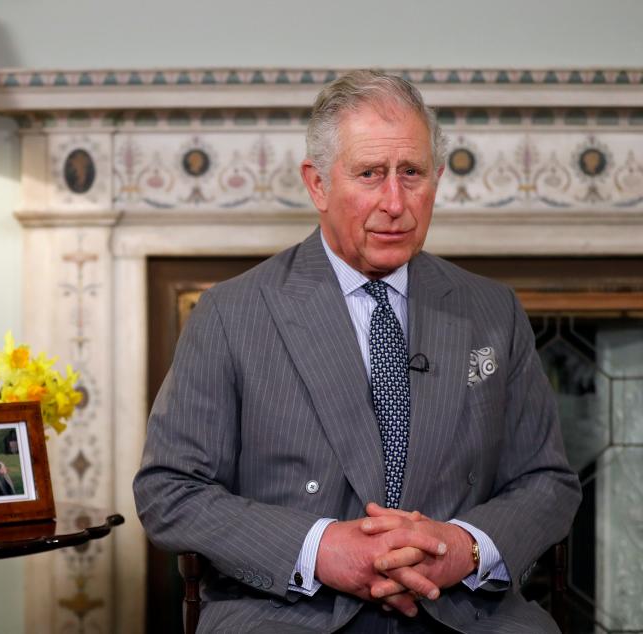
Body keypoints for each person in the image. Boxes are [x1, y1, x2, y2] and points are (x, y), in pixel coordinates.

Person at [133, 70, 581, 633]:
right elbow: (168, 490)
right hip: (290, 610)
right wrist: (319, 549)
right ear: (317, 184)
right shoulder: (230, 314)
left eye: (411, 174)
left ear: (437, 180)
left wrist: (464, 546)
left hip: (466, 610)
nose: (395, 203)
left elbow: (547, 481)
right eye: (370, 174)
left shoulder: (492, 311)